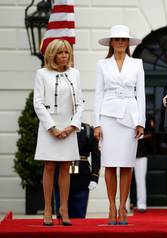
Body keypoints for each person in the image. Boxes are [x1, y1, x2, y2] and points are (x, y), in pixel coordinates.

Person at [94, 25, 145, 225]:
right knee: (109, 163)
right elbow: (98, 93)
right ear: (111, 42)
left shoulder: (137, 64)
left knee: (126, 163)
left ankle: (123, 206)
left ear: (128, 43)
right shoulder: (102, 64)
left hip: (130, 118)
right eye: (117, 39)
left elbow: (140, 94)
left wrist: (140, 121)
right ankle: (111, 206)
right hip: (107, 117)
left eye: (124, 39)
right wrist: (97, 123)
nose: (121, 43)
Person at [33, 39, 83, 226]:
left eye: (67, 52)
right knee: (50, 166)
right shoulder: (42, 74)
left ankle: (63, 208)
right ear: (52, 54)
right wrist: (52, 128)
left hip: (69, 126)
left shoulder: (75, 74)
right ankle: (48, 208)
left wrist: (72, 126)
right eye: (60, 52)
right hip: (49, 126)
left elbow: (80, 104)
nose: (64, 56)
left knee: (65, 167)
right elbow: (37, 102)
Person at [54, 122, 101, 218]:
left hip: (81, 178)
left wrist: (94, 177)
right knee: (61, 218)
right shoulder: (58, 128)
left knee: (79, 217)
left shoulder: (88, 130)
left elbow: (96, 155)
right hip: (61, 175)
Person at [133, 115, 155, 213]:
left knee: (140, 180)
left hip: (141, 153)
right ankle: (124, 204)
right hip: (126, 153)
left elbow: (151, 134)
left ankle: (141, 205)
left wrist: (140, 137)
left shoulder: (146, 117)